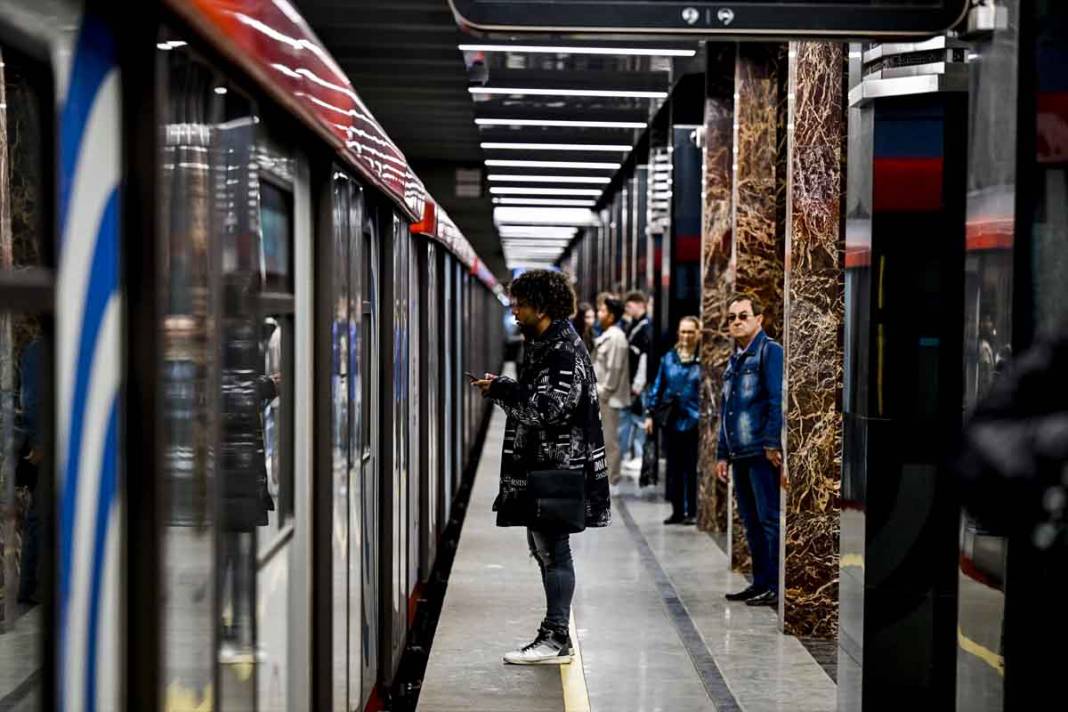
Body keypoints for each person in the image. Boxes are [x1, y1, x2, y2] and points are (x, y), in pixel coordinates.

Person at [471, 269, 610, 665]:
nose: (513, 309)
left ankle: (556, 638)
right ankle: (553, 634)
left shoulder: (562, 351)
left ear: (542, 306)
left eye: (520, 303)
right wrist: (503, 387)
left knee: (553, 550)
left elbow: (546, 408)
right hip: (548, 469)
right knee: (546, 549)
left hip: (559, 469)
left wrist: (501, 389)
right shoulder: (546, 344)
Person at [715, 293, 784, 608]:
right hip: (739, 453)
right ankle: (759, 583)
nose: (737, 321)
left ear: (760, 319)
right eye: (732, 317)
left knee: (768, 519)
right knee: (751, 520)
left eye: (744, 315)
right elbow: (726, 409)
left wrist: (771, 442)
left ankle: (773, 585)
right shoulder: (734, 361)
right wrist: (721, 453)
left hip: (759, 451)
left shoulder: (770, 353)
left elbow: (775, 400)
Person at [644, 316, 702, 524]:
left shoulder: (701, 360)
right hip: (672, 420)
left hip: (694, 420)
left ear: (698, 334)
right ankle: (677, 510)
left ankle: (692, 511)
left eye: (690, 332)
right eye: (683, 331)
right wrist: (650, 413)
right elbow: (658, 386)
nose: (686, 336)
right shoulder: (669, 358)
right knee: (674, 468)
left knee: (691, 468)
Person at [592, 296, 630, 492]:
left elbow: (614, 369)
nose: (599, 314)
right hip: (603, 395)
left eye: (603, 311)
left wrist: (603, 392)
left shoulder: (616, 338)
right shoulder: (609, 335)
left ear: (612, 315)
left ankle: (612, 480)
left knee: (609, 441)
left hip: (609, 397)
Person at [621, 291, 652, 470]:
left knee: (640, 420)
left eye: (630, 306)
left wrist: (638, 384)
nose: (628, 309)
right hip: (634, 381)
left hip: (640, 382)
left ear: (640, 304)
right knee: (635, 418)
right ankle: (635, 454)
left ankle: (640, 456)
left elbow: (644, 359)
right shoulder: (635, 325)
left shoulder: (645, 328)